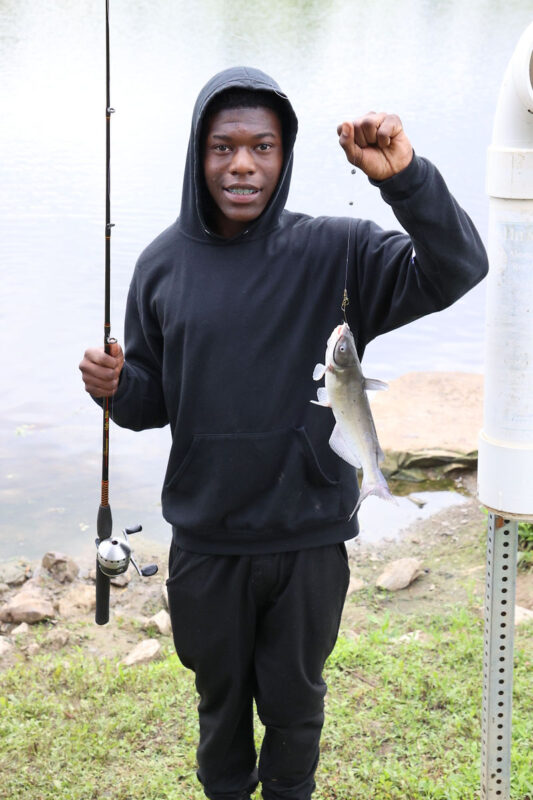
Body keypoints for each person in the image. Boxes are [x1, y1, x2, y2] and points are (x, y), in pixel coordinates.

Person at [79, 66, 488, 800]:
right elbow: (151, 404)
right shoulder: (161, 265)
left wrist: (406, 180)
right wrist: (116, 389)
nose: (242, 165)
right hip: (207, 543)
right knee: (219, 709)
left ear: (285, 154)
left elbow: (458, 266)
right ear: (197, 157)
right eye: (223, 147)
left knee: (296, 712)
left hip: (307, 540)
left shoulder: (340, 251)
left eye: (262, 147)